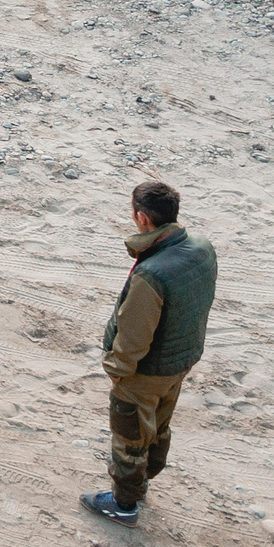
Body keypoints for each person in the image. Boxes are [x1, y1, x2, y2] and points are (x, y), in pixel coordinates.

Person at [83, 180, 219, 528]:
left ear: (141, 218)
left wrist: (117, 370)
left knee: (130, 434)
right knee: (158, 424)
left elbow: (134, 337)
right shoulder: (202, 248)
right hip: (181, 359)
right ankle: (144, 481)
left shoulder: (151, 275)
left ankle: (124, 504)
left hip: (146, 370)